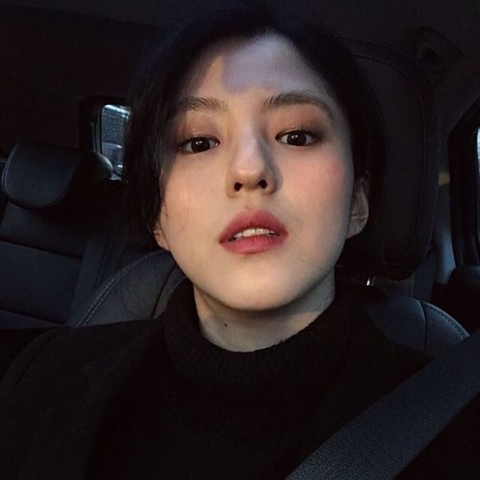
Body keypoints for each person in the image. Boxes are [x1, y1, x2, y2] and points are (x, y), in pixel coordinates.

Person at [0, 2, 478, 479]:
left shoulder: (455, 428)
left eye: (297, 135)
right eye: (199, 143)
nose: (249, 170)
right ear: (158, 216)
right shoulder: (41, 379)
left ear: (357, 202)